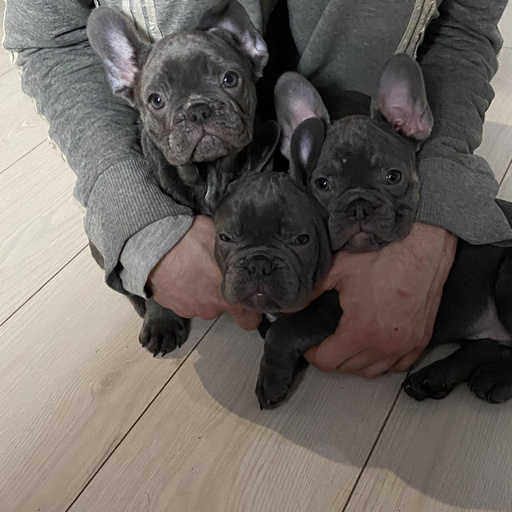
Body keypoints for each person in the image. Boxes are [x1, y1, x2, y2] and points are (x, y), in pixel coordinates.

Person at [4, 0, 511, 378]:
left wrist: (439, 203)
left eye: (225, 80)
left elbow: (465, 23)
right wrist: (135, 216)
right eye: (159, 97)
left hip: (332, 141)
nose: (197, 111)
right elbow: (52, 38)